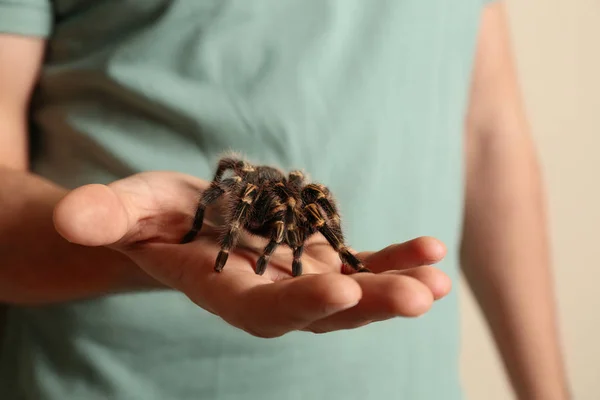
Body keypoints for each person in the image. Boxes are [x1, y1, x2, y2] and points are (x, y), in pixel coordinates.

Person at [0, 1, 570, 399]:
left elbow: (489, 140)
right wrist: (145, 241)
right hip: (111, 380)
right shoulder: (243, 189)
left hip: (407, 383)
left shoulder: (302, 202)